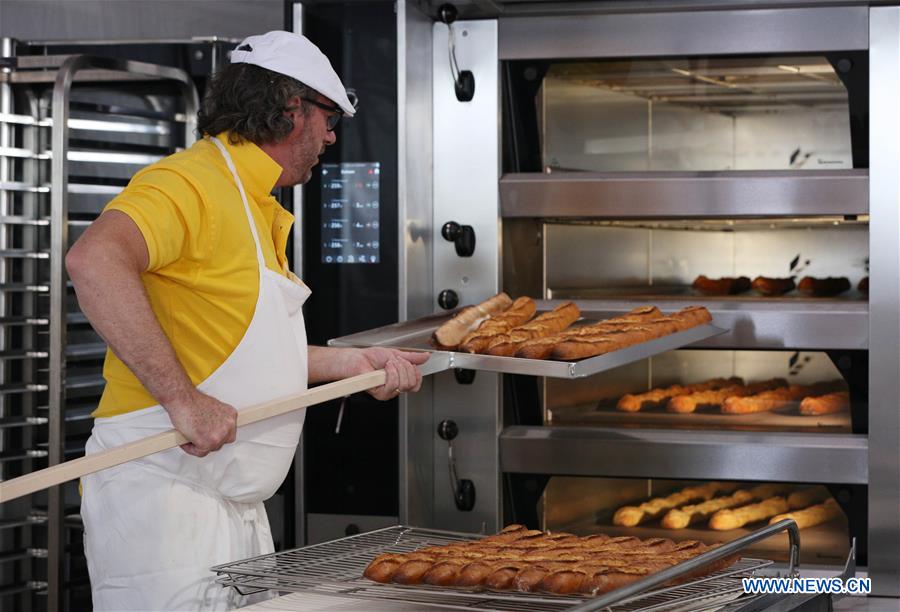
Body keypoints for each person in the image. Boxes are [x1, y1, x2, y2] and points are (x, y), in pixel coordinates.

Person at [66, 30, 428, 611]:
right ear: (291, 109)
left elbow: (241, 348)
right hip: (162, 499)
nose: (331, 135)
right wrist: (183, 400)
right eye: (329, 117)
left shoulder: (254, 200)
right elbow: (93, 260)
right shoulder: (190, 182)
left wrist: (353, 363)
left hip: (227, 503)